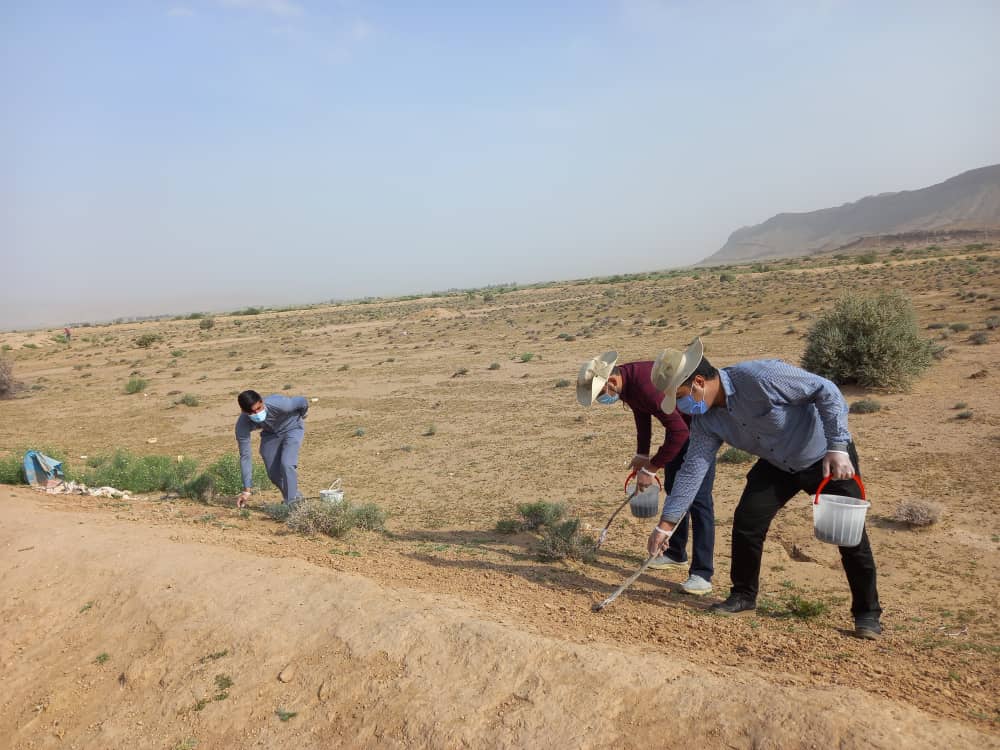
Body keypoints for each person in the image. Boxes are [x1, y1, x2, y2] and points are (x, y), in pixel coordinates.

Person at [647, 338, 882, 639]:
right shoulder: (705, 421)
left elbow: (827, 390)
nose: (682, 407)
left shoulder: (759, 377)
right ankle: (744, 597)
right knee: (747, 521)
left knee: (848, 534)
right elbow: (693, 469)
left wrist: (838, 445)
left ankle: (867, 615)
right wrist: (666, 525)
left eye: (680, 397)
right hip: (777, 464)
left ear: (699, 382)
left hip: (825, 456)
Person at [577, 351, 717, 595]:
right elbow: (642, 414)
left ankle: (702, 574)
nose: (603, 399)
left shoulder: (643, 384)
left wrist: (652, 468)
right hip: (681, 432)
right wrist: (643, 454)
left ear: (610, 382)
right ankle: (675, 554)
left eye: (601, 394)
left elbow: (680, 432)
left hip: (700, 430)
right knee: (675, 491)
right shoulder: (627, 382)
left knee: (699, 500)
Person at [235, 390, 309, 508]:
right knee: (274, 474)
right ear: (244, 411)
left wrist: (303, 414)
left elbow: (302, 401)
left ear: (262, 401)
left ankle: (292, 506)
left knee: (287, 464)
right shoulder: (242, 424)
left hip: (292, 428)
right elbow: (245, 456)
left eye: (259, 408)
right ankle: (296, 498)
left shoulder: (280, 404)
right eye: (252, 412)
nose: (257, 413)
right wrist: (246, 490)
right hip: (270, 434)